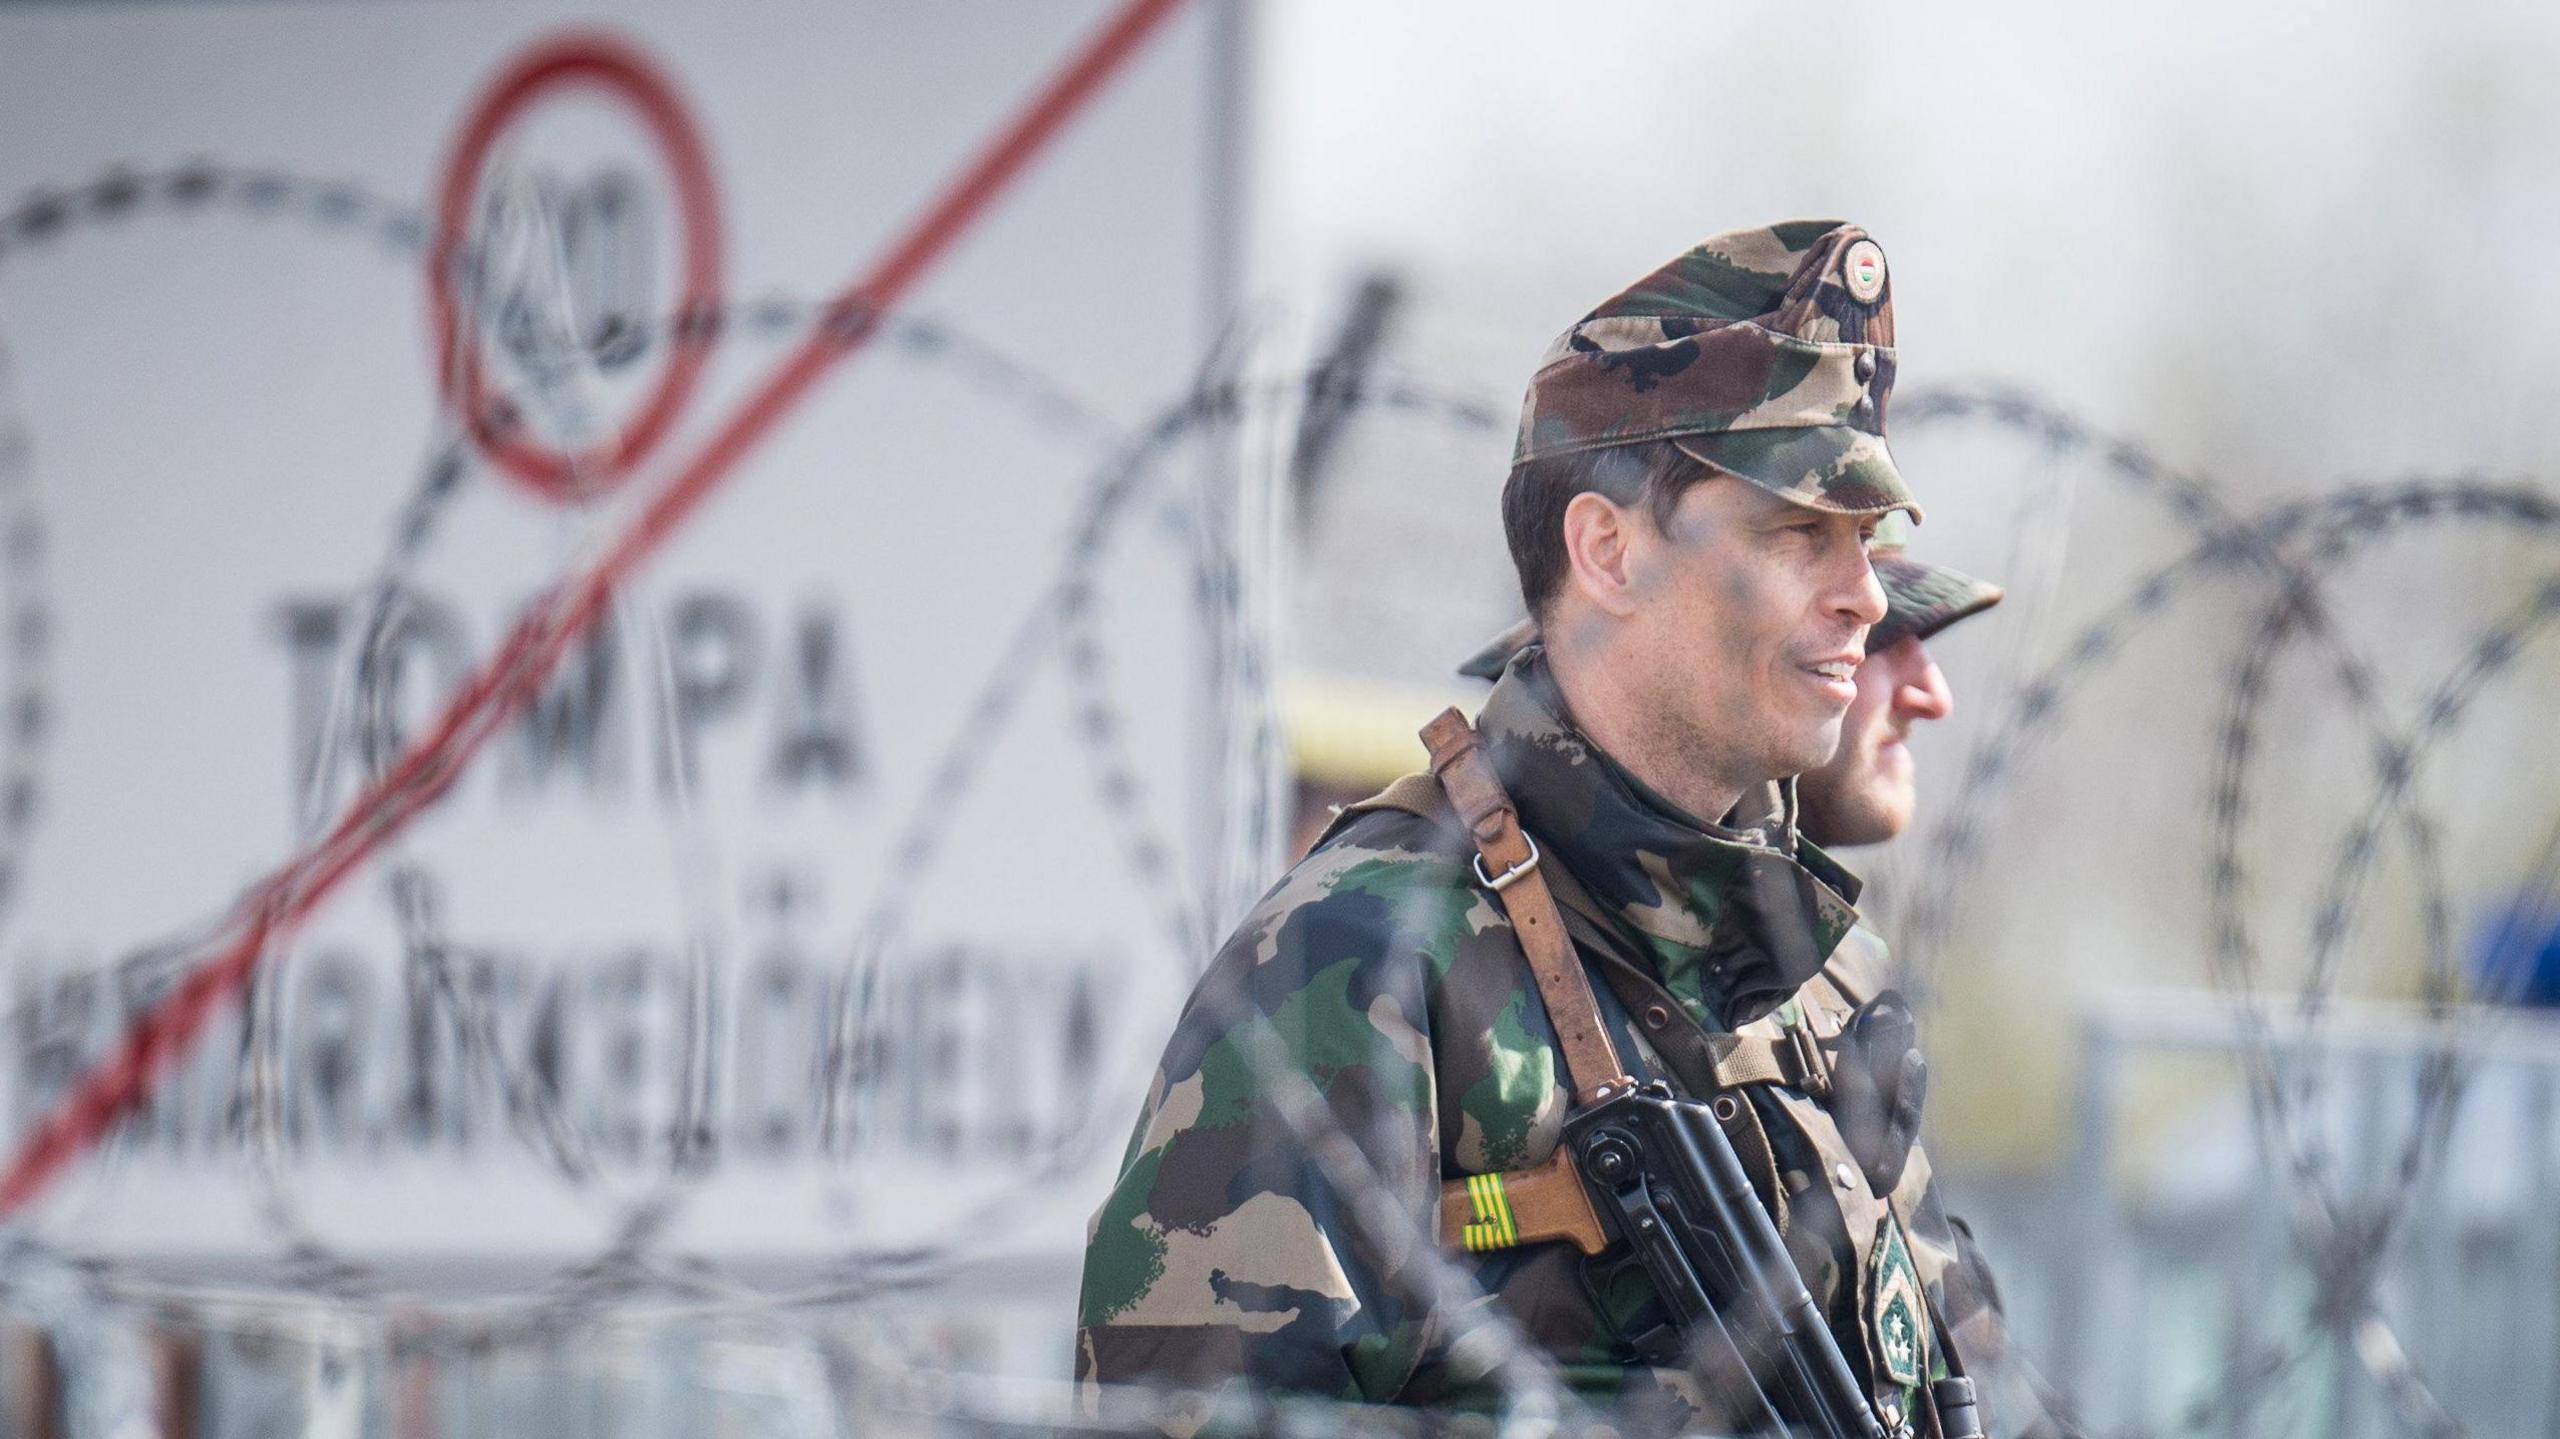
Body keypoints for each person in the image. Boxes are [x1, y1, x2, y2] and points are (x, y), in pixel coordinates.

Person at [1079, 223, 1990, 1435]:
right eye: (1798, 532)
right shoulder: (1366, 963)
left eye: (1867, 542)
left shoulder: (1823, 983)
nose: (1867, 595)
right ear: (1608, 551)